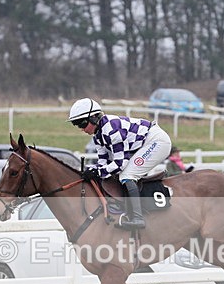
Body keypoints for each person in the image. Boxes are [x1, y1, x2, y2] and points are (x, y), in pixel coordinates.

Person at [68, 97, 171, 230]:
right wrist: (91, 169)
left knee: (127, 175)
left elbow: (119, 164)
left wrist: (98, 171)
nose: (81, 129)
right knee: (120, 173)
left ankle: (138, 218)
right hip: (145, 143)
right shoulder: (98, 136)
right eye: (76, 125)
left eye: (81, 124)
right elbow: (103, 162)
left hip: (157, 142)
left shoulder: (111, 130)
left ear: (94, 118)